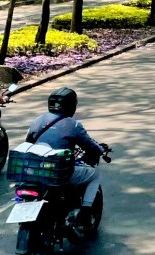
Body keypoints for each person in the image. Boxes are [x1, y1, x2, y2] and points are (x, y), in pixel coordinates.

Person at [26, 87, 107, 227]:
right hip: (58, 173)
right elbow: (90, 145)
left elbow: (28, 142)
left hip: (34, 171)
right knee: (94, 175)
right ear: (72, 106)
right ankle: (86, 211)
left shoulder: (37, 120)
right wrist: (101, 149)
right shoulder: (73, 125)